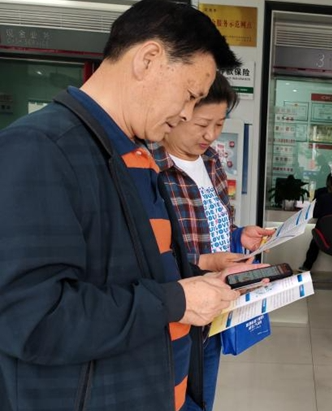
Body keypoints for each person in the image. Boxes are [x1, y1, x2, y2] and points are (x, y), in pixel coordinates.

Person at [0, 1, 261, 410]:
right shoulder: (40, 149)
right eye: (190, 96)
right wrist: (176, 301)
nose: (187, 114)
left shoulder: (133, 154)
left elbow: (128, 276)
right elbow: (32, 320)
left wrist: (203, 278)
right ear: (149, 59)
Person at [150, 72, 274, 411]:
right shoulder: (151, 167)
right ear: (177, 113)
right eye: (203, 124)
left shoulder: (211, 161)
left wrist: (238, 235)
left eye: (219, 124)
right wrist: (204, 263)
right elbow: (148, 251)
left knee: (203, 396)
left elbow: (215, 223)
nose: (211, 134)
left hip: (215, 307)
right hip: (176, 311)